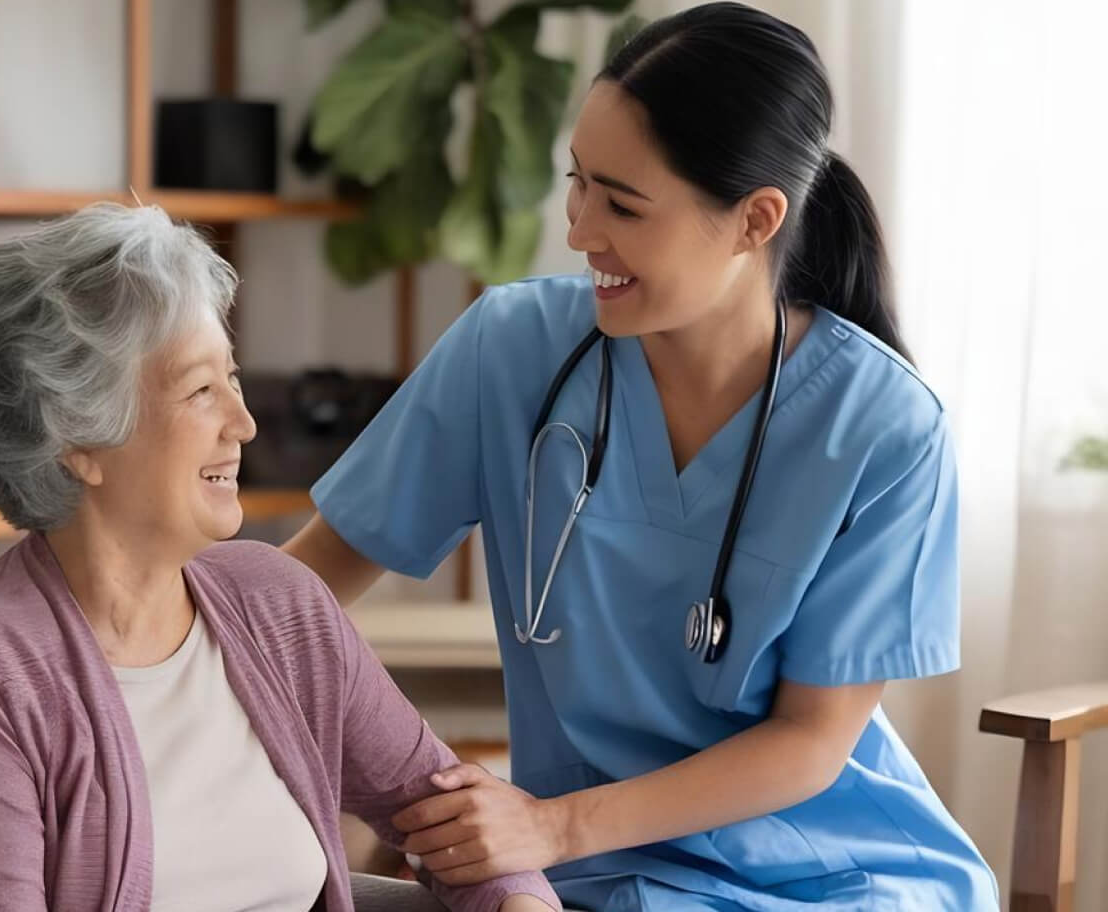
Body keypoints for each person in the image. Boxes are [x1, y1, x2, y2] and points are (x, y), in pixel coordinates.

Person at [283, 3, 999, 909]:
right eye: (578, 182)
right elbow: (296, 595)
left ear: (755, 220)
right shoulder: (511, 349)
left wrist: (552, 827)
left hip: (833, 874)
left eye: (622, 204)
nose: (580, 229)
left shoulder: (886, 428)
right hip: (600, 876)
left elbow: (812, 741)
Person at [0, 203, 560, 912]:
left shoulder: (281, 603)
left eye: (231, 379)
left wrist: (522, 904)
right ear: (78, 440)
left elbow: (463, 827)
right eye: (201, 390)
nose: (244, 423)